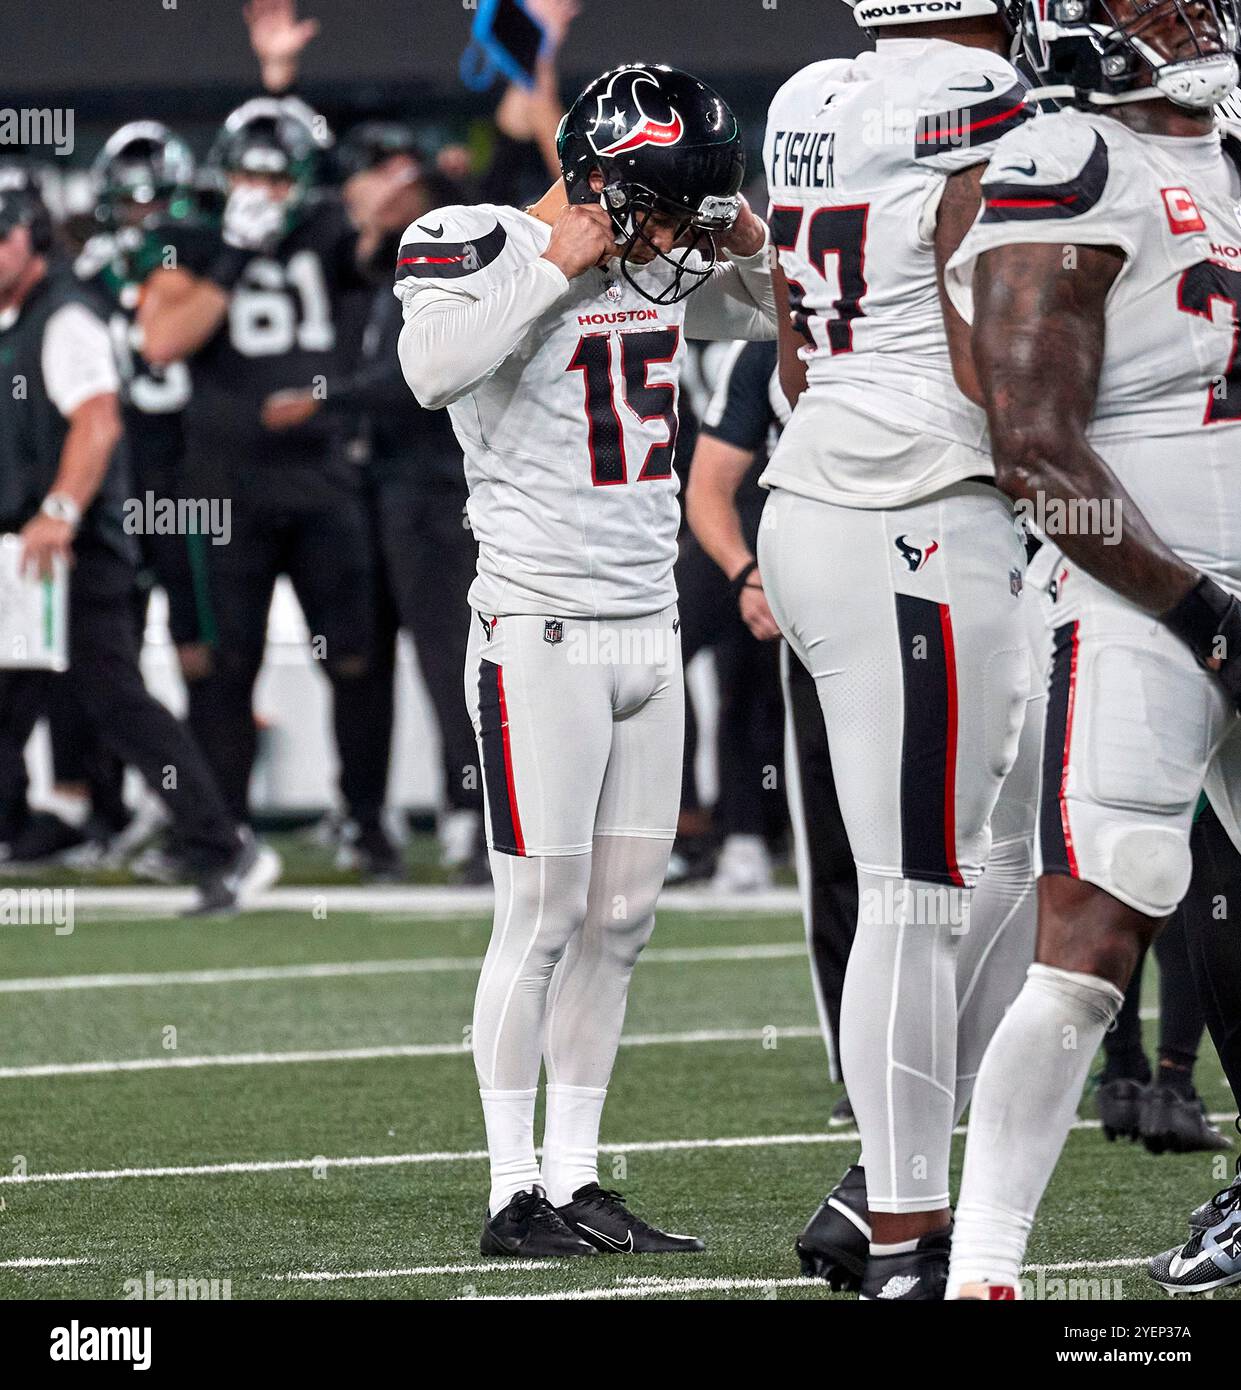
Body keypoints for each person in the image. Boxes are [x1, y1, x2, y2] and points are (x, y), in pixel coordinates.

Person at [397, 63, 777, 1258]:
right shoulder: (479, 239)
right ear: (607, 186)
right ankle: (512, 1190)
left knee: (620, 919)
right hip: (537, 629)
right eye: (665, 207)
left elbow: (775, 310)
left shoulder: (661, 260)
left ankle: (577, 1173)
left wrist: (749, 233)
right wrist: (559, 262)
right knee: (543, 911)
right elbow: (429, 368)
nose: (676, 238)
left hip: (644, 627)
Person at [939, 0, 1241, 1300]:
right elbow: (1033, 449)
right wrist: (1203, 617)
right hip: (1143, 605)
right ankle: (985, 1267)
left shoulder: (1222, 154)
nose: (1194, 18)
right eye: (1153, 2)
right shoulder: (1064, 161)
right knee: (1095, 927)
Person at [758, 0, 1042, 1298]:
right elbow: (996, 356)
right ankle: (904, 1230)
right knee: (919, 887)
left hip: (836, 492)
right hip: (915, 512)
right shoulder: (981, 96)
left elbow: (788, 335)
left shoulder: (809, 94)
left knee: (1013, 863)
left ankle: (890, 1179)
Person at [138, 97, 407, 876]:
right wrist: (231, 252)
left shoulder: (327, 229)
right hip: (223, 486)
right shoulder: (185, 238)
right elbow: (163, 340)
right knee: (224, 666)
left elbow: (374, 226)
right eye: (250, 170)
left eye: (276, 172)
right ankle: (222, 834)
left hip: (324, 477)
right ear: (225, 174)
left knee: (356, 658)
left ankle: (364, 818)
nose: (262, 186)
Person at [0, 168, 279, 915]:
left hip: (72, 550)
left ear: (31, 239)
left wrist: (60, 508)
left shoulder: (65, 319)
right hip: (18, 555)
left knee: (117, 700)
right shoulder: (19, 322)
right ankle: (25, 828)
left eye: (2, 236)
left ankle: (222, 844)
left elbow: (98, 421)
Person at [684, 337, 859, 1117]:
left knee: (977, 854)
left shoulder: (933, 323)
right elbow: (708, 486)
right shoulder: (768, 353)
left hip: (942, 597)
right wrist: (744, 573)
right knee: (838, 852)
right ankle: (864, 1067)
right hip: (821, 618)